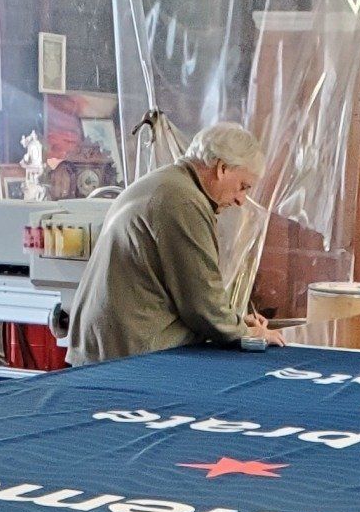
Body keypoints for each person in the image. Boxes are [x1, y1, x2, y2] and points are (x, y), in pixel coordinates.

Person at [63, 122, 277, 366]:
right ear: (222, 168)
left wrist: (235, 323)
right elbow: (203, 302)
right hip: (131, 357)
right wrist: (248, 334)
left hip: (104, 347)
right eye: (243, 187)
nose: (241, 200)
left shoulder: (164, 183)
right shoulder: (184, 201)